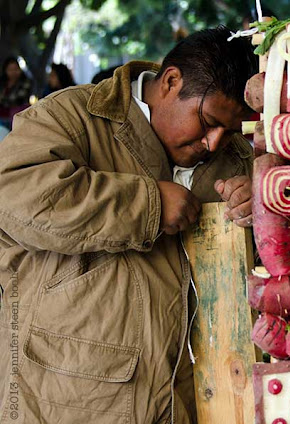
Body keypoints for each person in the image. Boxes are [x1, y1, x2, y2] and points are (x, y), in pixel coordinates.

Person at [0, 26, 257, 423]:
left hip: (194, 403)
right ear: (171, 82)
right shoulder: (72, 116)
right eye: (207, 121)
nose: (213, 142)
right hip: (69, 401)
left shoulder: (237, 155)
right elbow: (15, 194)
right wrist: (148, 204)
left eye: (230, 130)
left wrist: (259, 201)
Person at [0, 57, 33, 126]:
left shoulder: (25, 83)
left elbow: (17, 100)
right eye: (10, 69)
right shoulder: (3, 83)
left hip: (17, 117)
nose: (13, 72)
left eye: (16, 69)